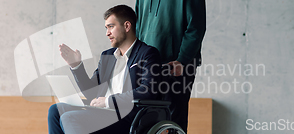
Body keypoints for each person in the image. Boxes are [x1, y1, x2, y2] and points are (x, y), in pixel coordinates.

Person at [47, 5, 162, 134]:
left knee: (70, 118)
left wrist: (108, 101)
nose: (107, 33)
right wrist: (76, 66)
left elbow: (147, 91)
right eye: (106, 28)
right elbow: (91, 93)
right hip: (102, 113)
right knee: (55, 110)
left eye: (111, 27)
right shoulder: (107, 56)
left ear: (127, 26)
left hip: (127, 118)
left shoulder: (147, 53)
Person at [135, 0, 207, 132]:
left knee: (173, 120)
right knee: (145, 119)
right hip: (147, 63)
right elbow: (138, 26)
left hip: (175, 66)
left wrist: (182, 61)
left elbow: (196, 27)